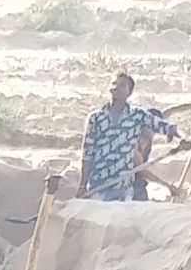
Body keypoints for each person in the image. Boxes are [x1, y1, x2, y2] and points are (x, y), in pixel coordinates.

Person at [78, 72, 182, 202]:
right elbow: (87, 154)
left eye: (121, 85)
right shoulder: (96, 118)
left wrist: (180, 137)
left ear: (129, 92)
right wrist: (82, 185)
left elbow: (161, 124)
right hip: (99, 187)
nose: (116, 87)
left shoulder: (137, 116)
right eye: (114, 84)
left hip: (124, 189)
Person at [133, 108, 183, 202]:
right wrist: (166, 185)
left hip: (139, 182)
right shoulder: (133, 141)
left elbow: (172, 110)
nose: (153, 132)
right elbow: (140, 170)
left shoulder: (148, 141)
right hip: (127, 183)